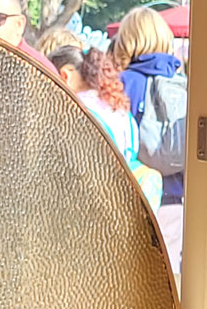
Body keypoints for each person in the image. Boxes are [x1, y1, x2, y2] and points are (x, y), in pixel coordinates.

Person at [111, 7, 185, 272]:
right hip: (175, 198)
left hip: (133, 198)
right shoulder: (181, 82)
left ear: (126, 40)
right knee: (167, 281)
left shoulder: (120, 84)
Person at [50, 45, 163, 213]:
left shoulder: (75, 112)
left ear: (64, 75)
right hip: (124, 204)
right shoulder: (119, 109)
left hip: (91, 208)